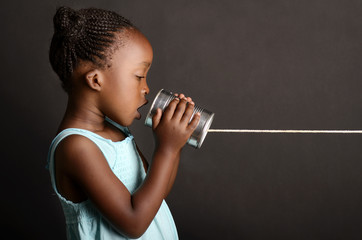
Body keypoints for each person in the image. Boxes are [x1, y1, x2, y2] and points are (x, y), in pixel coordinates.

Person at [47, 6, 200, 239]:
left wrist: (174, 143)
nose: (146, 88)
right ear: (96, 80)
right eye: (139, 76)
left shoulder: (117, 131)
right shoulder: (76, 147)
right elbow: (134, 222)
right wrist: (166, 149)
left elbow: (154, 195)